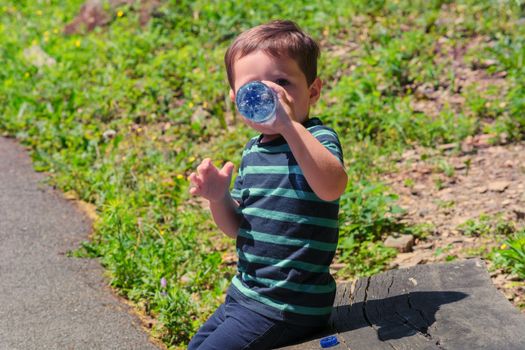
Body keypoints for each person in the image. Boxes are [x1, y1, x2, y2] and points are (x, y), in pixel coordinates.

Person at [187, 19, 348, 350]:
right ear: (236, 98)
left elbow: (332, 186)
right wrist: (218, 198)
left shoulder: (316, 138)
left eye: (282, 82)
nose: (269, 95)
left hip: (286, 306)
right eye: (253, 88)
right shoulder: (253, 150)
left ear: (313, 90)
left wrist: (289, 125)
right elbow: (237, 228)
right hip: (246, 294)